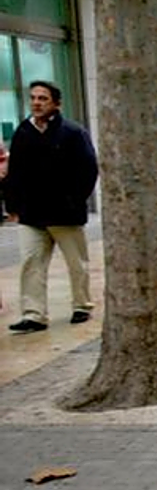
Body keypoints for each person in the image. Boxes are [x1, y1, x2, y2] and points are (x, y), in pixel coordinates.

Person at [6, 81, 99, 333]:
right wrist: (13, 205)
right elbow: (15, 172)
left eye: (43, 98)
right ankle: (34, 314)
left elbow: (88, 169)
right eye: (33, 98)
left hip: (65, 214)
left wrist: (75, 200)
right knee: (31, 263)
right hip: (31, 215)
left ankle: (82, 305)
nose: (36, 103)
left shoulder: (72, 132)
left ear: (56, 104)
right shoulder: (23, 132)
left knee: (76, 264)